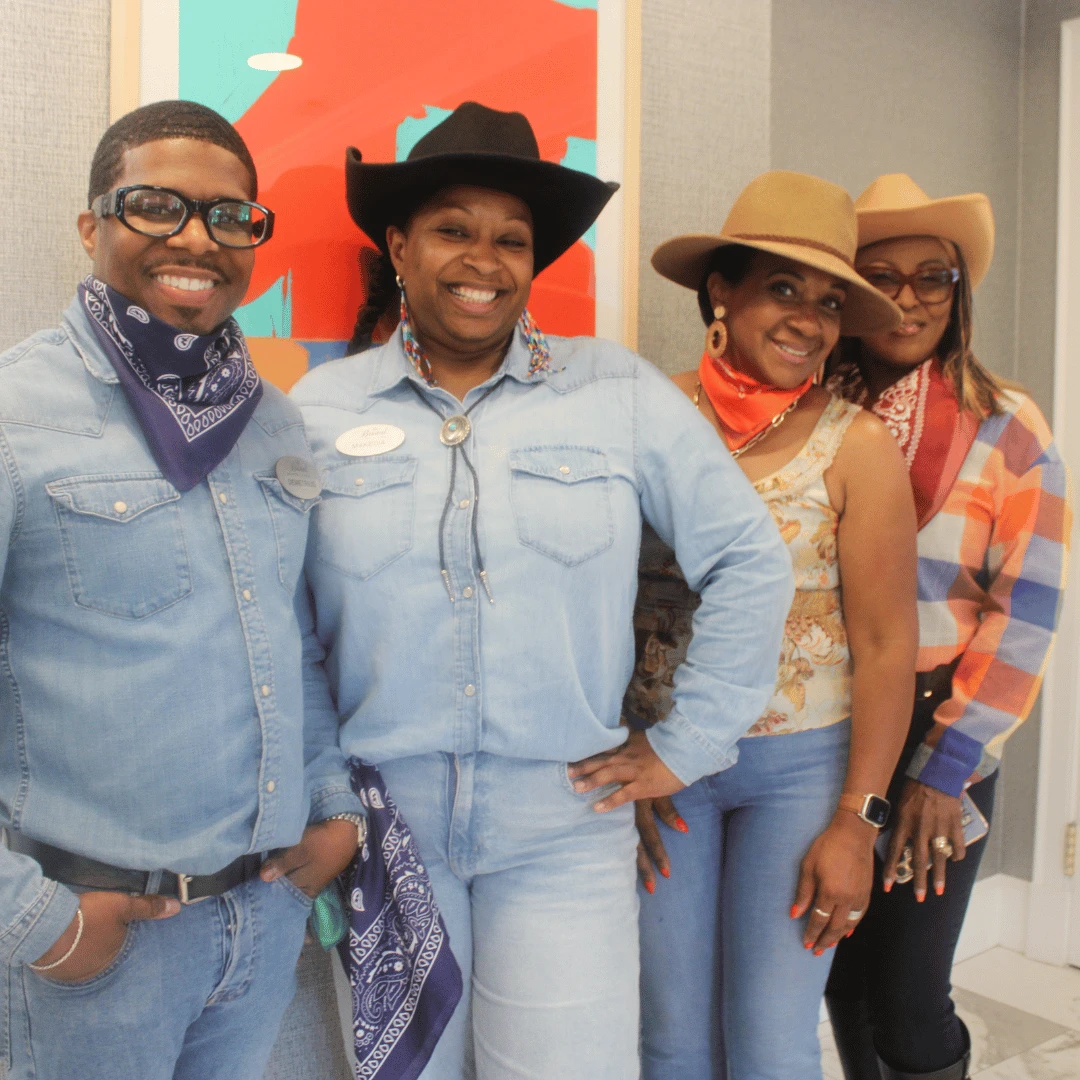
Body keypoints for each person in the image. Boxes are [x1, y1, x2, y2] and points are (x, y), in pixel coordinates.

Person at [290, 101, 795, 1079]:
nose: (483, 259)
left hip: (564, 826)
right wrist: (321, 791)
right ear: (398, 243)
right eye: (452, 229)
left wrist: (688, 742)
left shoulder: (615, 391)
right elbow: (286, 624)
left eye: (510, 240)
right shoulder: (321, 407)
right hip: (388, 826)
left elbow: (748, 557)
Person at [0, 100, 363, 1080]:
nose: (197, 238)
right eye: (156, 206)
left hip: (258, 924)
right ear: (91, 225)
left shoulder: (275, 425)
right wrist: (35, 919)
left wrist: (332, 808)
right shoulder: (14, 418)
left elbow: (290, 639)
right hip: (94, 948)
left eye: (231, 215)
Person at [629, 170, 919, 1080]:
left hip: (798, 775)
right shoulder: (643, 416)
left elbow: (886, 647)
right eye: (783, 288)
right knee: (669, 1036)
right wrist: (622, 750)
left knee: (770, 1041)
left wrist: (858, 824)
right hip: (664, 766)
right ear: (723, 290)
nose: (808, 319)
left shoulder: (857, 447)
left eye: (829, 302)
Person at [824, 174, 1071, 1080]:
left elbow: (1029, 606)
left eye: (935, 276)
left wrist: (946, 767)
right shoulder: (812, 415)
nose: (911, 297)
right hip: (824, 728)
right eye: (882, 275)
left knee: (911, 991)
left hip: (940, 732)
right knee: (840, 965)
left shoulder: (1006, 425)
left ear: (958, 293)